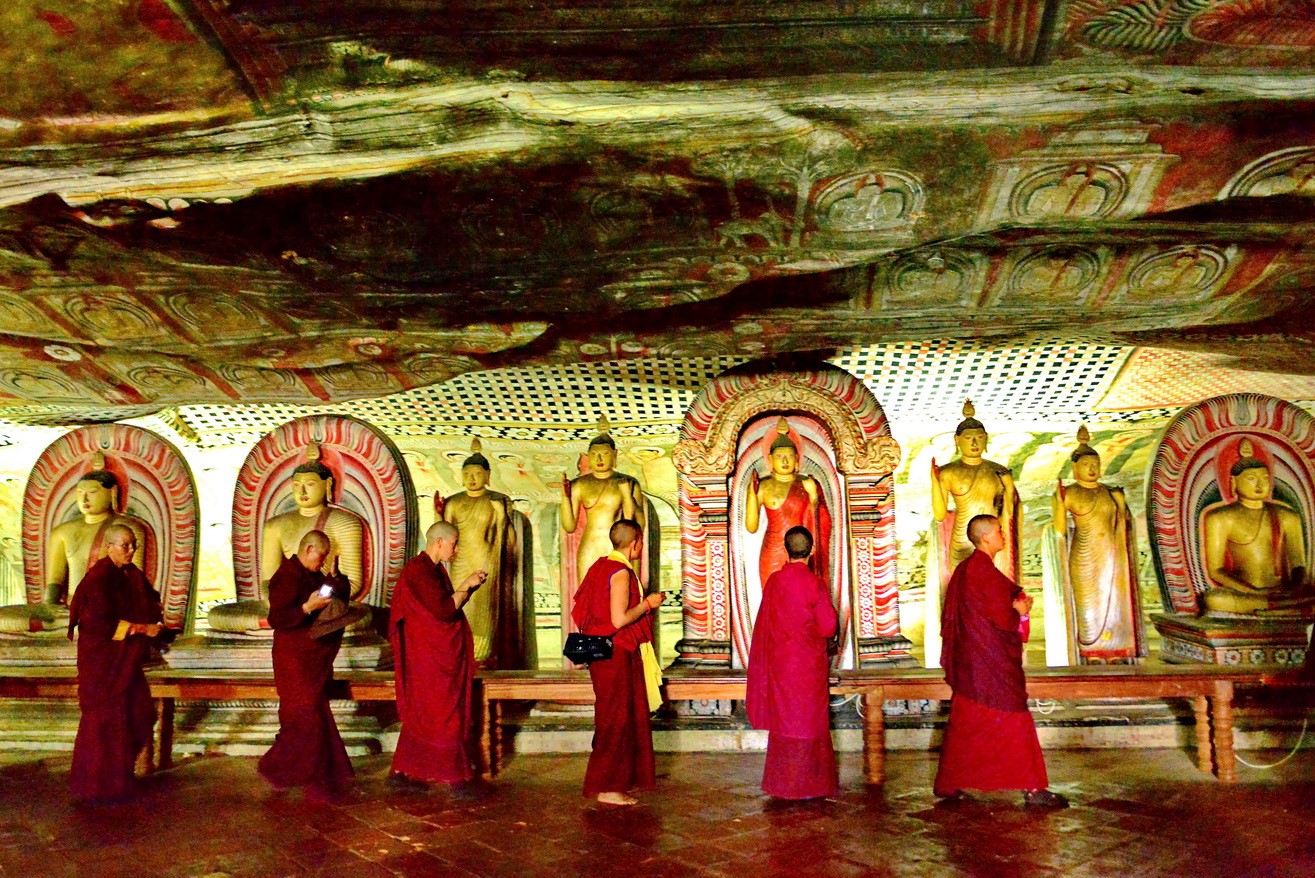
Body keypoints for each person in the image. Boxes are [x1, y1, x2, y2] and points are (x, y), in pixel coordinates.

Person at [935, 514, 1067, 808]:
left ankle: (949, 783)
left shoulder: (967, 569)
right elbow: (1002, 619)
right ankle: (1033, 787)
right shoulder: (982, 571)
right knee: (1014, 718)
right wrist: (1018, 610)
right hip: (991, 666)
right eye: (998, 532)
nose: (1003, 536)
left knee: (966, 722)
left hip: (973, 664)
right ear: (985, 537)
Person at [209, 443, 366, 633]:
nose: (302, 492)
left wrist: (319, 601)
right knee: (217, 616)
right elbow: (268, 581)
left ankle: (283, 621)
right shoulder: (275, 525)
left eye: (310, 485)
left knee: (359, 616)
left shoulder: (345, 523)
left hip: (326, 604)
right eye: (297, 486)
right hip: (285, 604)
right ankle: (282, 620)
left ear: (328, 484)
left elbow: (354, 583)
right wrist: (283, 606)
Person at [67, 523, 162, 804]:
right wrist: (143, 629)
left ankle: (120, 780)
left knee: (140, 713)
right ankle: (95, 787)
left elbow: (148, 602)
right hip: (102, 662)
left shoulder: (131, 574)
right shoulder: (98, 580)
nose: (131, 550)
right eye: (125, 545)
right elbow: (100, 626)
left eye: (134, 545)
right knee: (103, 724)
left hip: (125, 661)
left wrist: (157, 620)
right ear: (108, 547)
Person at [389, 521, 488, 790]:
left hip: (433, 654)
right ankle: (455, 777)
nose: (456, 550)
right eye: (454, 544)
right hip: (429, 658)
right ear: (439, 542)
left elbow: (445, 608)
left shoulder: (433, 570)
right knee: (443, 713)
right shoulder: (419, 571)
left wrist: (468, 588)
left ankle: (403, 772)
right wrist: (466, 584)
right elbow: (444, 610)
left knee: (426, 713)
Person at [572, 518, 664, 806]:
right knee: (616, 717)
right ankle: (608, 787)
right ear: (635, 543)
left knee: (612, 714)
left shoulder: (600, 566)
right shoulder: (621, 572)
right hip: (614, 652)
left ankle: (612, 782)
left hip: (601, 651)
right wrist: (648, 604)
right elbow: (618, 620)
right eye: (641, 542)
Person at [258, 530, 354, 801]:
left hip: (311, 658)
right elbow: (277, 618)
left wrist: (335, 579)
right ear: (309, 549)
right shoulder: (286, 576)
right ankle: (276, 769)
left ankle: (322, 777)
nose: (321, 563)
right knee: (305, 717)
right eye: (320, 557)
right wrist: (307, 608)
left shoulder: (310, 574)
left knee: (316, 714)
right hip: (293, 659)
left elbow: (331, 596)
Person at [746, 525, 839, 799]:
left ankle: (784, 785)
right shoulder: (814, 583)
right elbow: (828, 627)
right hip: (808, 667)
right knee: (809, 721)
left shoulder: (775, 582)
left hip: (781, 666)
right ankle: (811, 785)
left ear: (786, 550)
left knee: (785, 722)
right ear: (812, 551)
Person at [1051, 426, 1146, 662]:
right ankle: (1090, 650)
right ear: (1075, 468)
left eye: (1095, 464)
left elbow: (1123, 524)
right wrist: (1059, 503)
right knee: (1087, 605)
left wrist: (1121, 504)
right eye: (1086, 464)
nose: (1092, 468)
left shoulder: (1110, 492)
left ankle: (1115, 651)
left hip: (1111, 555)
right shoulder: (1069, 493)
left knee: (1114, 601)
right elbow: (1059, 531)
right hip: (1084, 555)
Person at [1202, 438, 1315, 614]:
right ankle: (1278, 608)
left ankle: (1275, 607)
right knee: (1214, 599)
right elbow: (1216, 571)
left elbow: (1298, 565)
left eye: (1264, 478)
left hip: (1283, 591)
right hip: (1247, 592)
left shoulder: (1287, 516)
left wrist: (1296, 587)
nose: (1259, 484)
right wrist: (1254, 592)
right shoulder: (1220, 518)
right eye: (1251, 478)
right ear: (1234, 482)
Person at [441, 440, 521, 667]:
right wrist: (437, 514)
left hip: (486, 560)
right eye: (467, 474)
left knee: (484, 610)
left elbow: (510, 542)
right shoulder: (454, 502)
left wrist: (501, 516)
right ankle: (459, 653)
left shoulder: (498, 500)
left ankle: (484, 656)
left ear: (487, 475)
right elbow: (443, 535)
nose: (472, 478)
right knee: (458, 604)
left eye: (477, 473)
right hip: (459, 561)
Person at [745, 417, 831, 592]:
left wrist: (814, 496)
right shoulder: (763, 486)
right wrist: (752, 493)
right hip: (773, 552)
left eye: (790, 456)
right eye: (779, 456)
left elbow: (821, 521)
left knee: (803, 599)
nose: (785, 461)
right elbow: (751, 527)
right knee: (775, 599)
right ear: (770, 459)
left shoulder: (807, 483)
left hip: (802, 553)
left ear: (797, 459)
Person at [561, 421, 647, 590]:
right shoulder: (579, 485)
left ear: (614, 455)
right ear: (588, 456)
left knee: (619, 596)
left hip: (617, 546)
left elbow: (639, 525)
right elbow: (569, 526)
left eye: (605, 453)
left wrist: (627, 496)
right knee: (589, 598)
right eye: (594, 454)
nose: (599, 459)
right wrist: (564, 497)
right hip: (589, 546)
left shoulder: (628, 482)